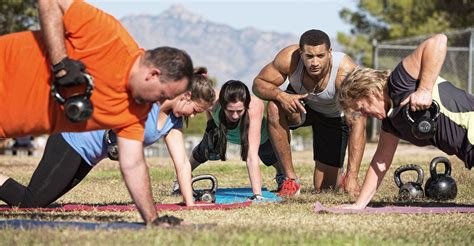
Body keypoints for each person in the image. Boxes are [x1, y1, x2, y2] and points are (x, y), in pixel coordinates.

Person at [0, 0, 193, 225]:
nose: (160, 102)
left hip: (10, 120)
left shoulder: (137, 109)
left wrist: (152, 219)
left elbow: (133, 164)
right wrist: (60, 64)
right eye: (162, 94)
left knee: (32, 202)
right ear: (152, 74)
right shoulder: (108, 36)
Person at [0, 70, 215, 218]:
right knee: (30, 204)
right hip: (71, 140)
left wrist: (190, 204)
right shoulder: (147, 98)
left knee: (39, 203)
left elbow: (182, 164)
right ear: (186, 96)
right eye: (195, 110)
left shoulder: (173, 121)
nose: (193, 116)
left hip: (87, 158)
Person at [336, 33, 473, 209]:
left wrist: (424, 89)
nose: (365, 115)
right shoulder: (391, 123)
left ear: (369, 91)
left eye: (362, 108)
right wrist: (359, 205)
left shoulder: (400, 81)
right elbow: (381, 161)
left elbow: (439, 41)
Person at [252, 29, 367, 196]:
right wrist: (280, 95)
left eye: (320, 56)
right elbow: (258, 84)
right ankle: (289, 179)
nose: (314, 62)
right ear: (301, 53)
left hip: (333, 117)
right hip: (301, 105)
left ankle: (342, 176)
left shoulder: (345, 72)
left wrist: (353, 176)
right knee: (274, 107)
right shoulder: (289, 59)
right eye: (309, 56)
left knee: (324, 189)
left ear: (330, 53)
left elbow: (358, 122)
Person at [174, 80, 285, 199]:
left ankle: (281, 175)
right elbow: (195, 104)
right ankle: (180, 179)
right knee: (203, 151)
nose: (235, 116)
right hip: (223, 131)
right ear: (222, 104)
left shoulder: (255, 106)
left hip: (260, 138)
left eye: (239, 111)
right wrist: (210, 123)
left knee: (271, 158)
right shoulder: (212, 100)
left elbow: (251, 156)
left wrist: (257, 195)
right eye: (230, 111)